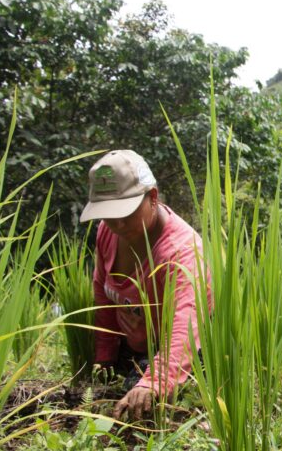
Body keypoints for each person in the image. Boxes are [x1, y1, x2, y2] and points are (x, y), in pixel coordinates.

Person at [79, 150, 210, 421]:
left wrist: (155, 381)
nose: (117, 224)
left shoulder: (183, 253)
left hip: (183, 357)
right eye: (108, 214)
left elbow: (184, 328)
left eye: (125, 212)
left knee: (138, 404)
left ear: (152, 198)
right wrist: (104, 357)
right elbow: (103, 294)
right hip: (136, 346)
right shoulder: (107, 231)